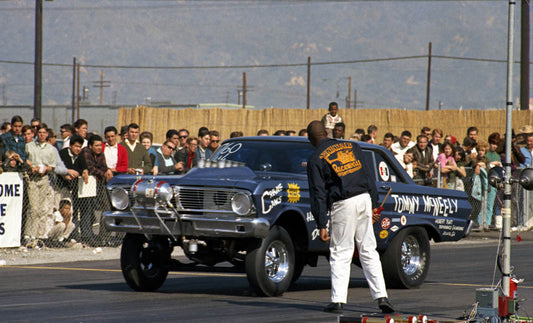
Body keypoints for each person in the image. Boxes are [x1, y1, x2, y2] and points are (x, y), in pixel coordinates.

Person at [305, 120, 394, 315]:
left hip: (343, 203)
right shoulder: (351, 146)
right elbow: (369, 176)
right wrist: (374, 205)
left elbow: (318, 193)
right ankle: (382, 297)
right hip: (363, 199)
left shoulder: (315, 159)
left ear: (310, 138)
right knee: (369, 250)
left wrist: (321, 223)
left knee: (340, 252)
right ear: (327, 132)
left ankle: (338, 301)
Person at [25, 124, 57, 242]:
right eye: (40, 132)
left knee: (41, 208)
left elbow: (52, 166)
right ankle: (28, 234)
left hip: (44, 179)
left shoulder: (51, 149)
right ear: (36, 133)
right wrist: (31, 167)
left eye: (44, 132)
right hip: (32, 179)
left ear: (47, 134)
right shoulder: (29, 146)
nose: (42, 135)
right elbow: (25, 159)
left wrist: (45, 168)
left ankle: (37, 234)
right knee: (32, 207)